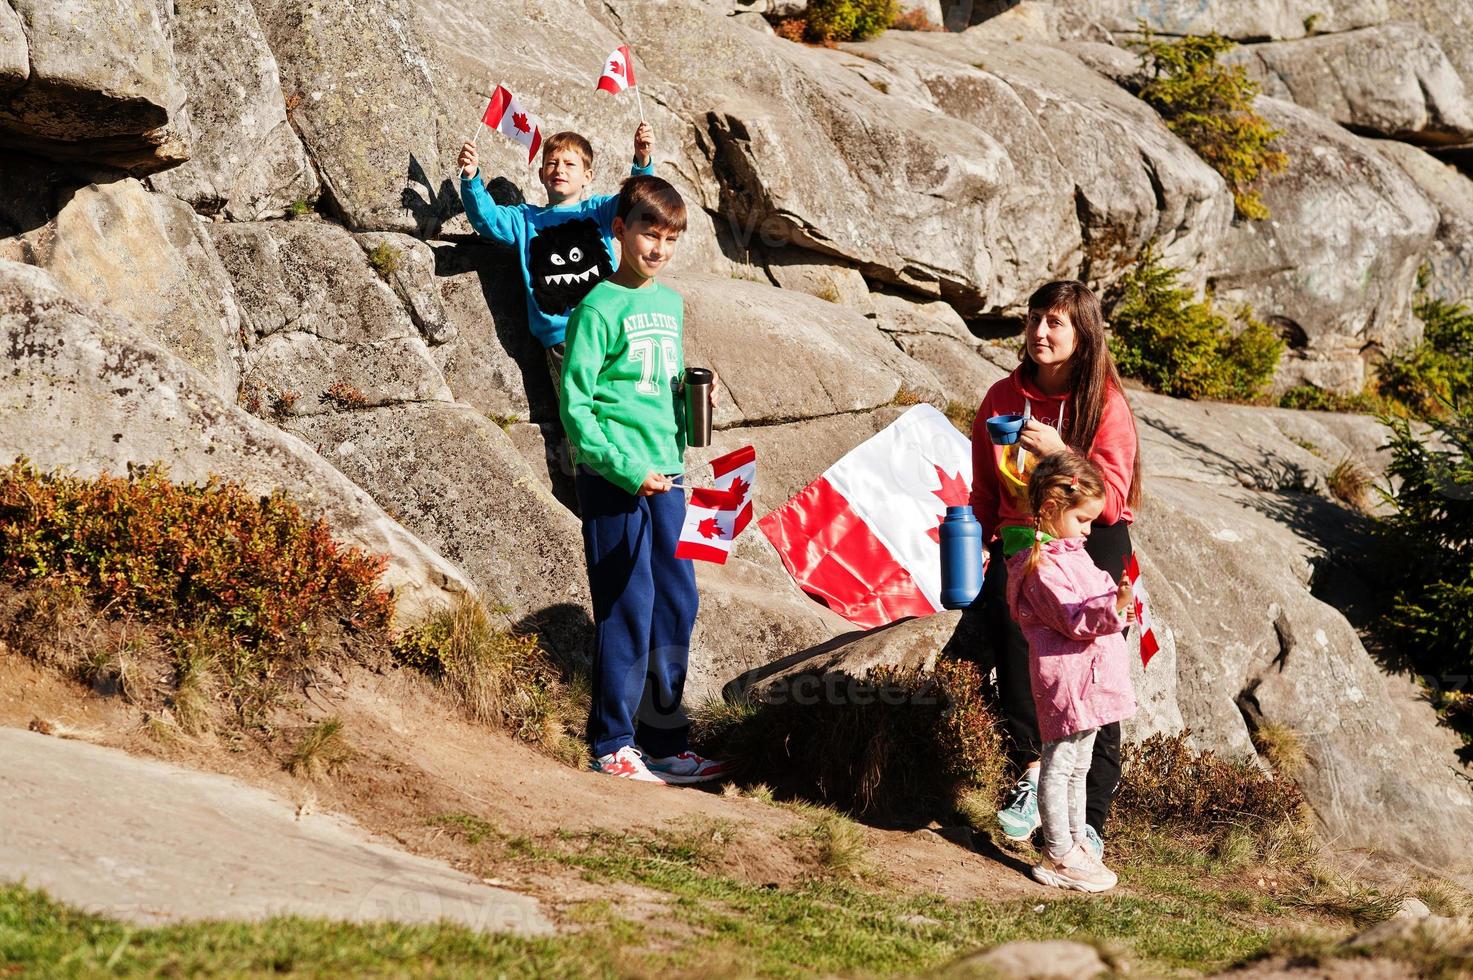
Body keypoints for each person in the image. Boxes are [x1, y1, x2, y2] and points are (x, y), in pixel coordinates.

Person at [559, 174, 728, 785]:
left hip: (670, 474)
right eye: (648, 233)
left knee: (677, 604)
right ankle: (613, 742)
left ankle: (664, 741)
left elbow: (658, 388)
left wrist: (692, 417)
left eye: (670, 238)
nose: (657, 248)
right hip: (616, 479)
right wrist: (630, 471)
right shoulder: (596, 308)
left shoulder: (669, 303)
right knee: (627, 604)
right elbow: (575, 410)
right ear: (619, 231)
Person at [968, 279, 1142, 856]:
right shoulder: (1001, 397)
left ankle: (1090, 815)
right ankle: (1033, 775)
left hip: (1094, 538)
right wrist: (986, 540)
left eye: (1056, 323)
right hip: (1025, 539)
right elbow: (986, 487)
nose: (1040, 332)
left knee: (1097, 663)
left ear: (1083, 334)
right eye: (1035, 318)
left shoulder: (1106, 403)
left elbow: (1113, 500)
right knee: (1022, 646)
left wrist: (1059, 453)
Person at [1006, 451, 1137, 892]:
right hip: (1068, 681)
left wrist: (1121, 603)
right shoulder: (1040, 566)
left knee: (1079, 765)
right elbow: (1072, 617)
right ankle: (1056, 853)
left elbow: (1098, 598)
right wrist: (1110, 608)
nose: (1088, 531)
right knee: (1058, 765)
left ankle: (1077, 843)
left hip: (1090, 680)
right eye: (1082, 520)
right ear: (1049, 509)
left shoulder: (1074, 554)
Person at [457, 122, 655, 398]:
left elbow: (637, 202)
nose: (559, 169)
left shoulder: (599, 211)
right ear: (540, 174)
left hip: (611, 328)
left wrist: (642, 160)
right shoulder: (524, 218)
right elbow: (486, 218)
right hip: (564, 338)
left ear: (588, 176)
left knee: (623, 404)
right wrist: (471, 177)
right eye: (552, 163)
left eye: (569, 164)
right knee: (579, 411)